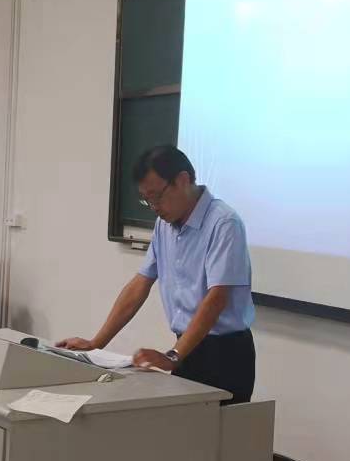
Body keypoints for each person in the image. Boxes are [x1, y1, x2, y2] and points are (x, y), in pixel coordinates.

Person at [56, 144, 256, 404]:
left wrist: (173, 355)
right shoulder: (164, 225)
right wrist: (97, 343)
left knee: (220, 428)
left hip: (226, 354)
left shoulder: (223, 223)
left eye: (157, 196)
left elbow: (216, 298)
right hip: (187, 348)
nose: (153, 207)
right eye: (146, 200)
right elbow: (140, 284)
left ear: (182, 180)